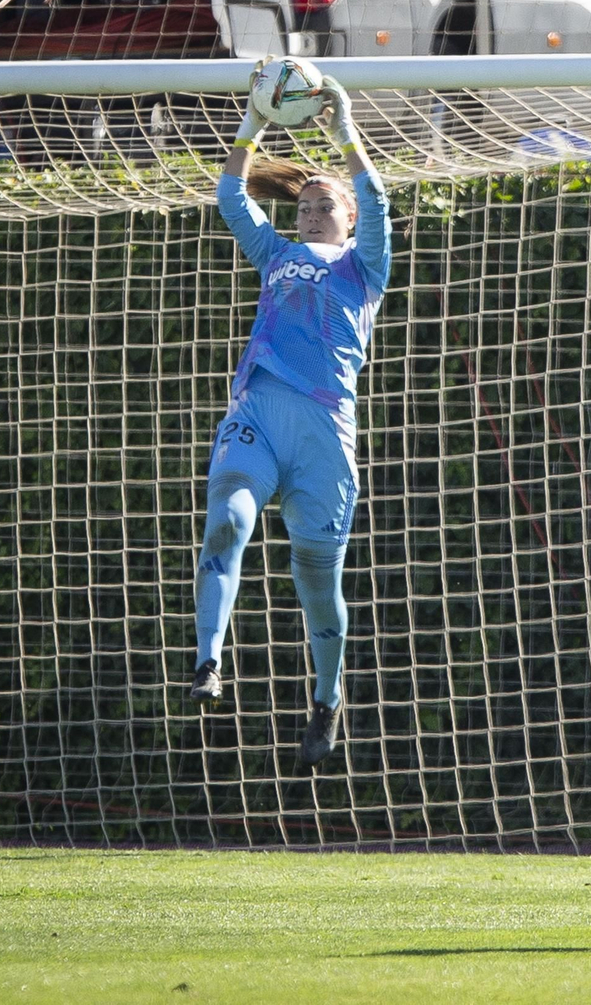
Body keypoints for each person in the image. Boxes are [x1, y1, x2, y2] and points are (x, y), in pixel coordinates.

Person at [188, 69, 392, 769]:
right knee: (228, 519)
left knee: (318, 590)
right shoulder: (276, 254)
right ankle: (207, 662)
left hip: (325, 441)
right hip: (260, 414)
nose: (307, 214)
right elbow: (229, 195)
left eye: (322, 205)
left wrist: (345, 133)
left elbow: (379, 198)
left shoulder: (363, 268)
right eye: (302, 205)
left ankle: (326, 700)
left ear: (349, 218)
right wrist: (251, 121)